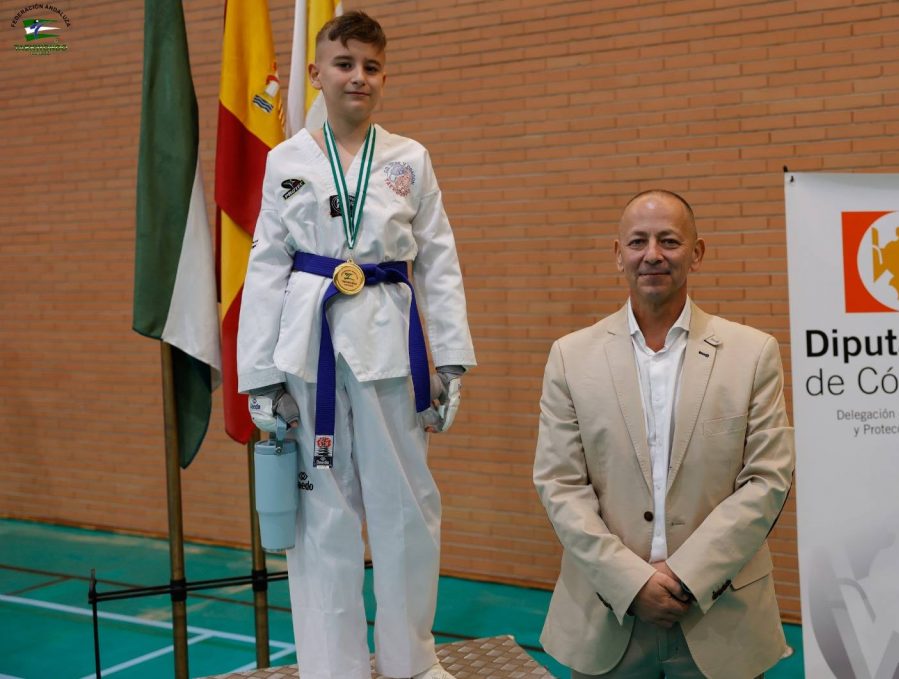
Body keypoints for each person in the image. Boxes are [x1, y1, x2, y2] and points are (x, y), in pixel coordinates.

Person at [236, 11, 475, 679]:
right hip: (308, 354)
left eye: (371, 67)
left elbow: (439, 261)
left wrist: (452, 361)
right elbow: (266, 264)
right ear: (317, 73)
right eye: (344, 64)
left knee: (407, 510)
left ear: (384, 77)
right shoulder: (286, 160)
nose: (358, 77)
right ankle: (329, 666)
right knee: (322, 520)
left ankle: (411, 661)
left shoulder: (409, 158)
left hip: (391, 352)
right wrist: (259, 376)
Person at [533, 190, 795, 678]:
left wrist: (687, 575)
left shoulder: (753, 354)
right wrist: (630, 583)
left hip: (721, 617)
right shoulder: (570, 357)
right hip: (608, 616)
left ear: (697, 253)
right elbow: (559, 483)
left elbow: (767, 481)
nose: (652, 254)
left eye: (669, 241)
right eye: (638, 242)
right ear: (619, 254)